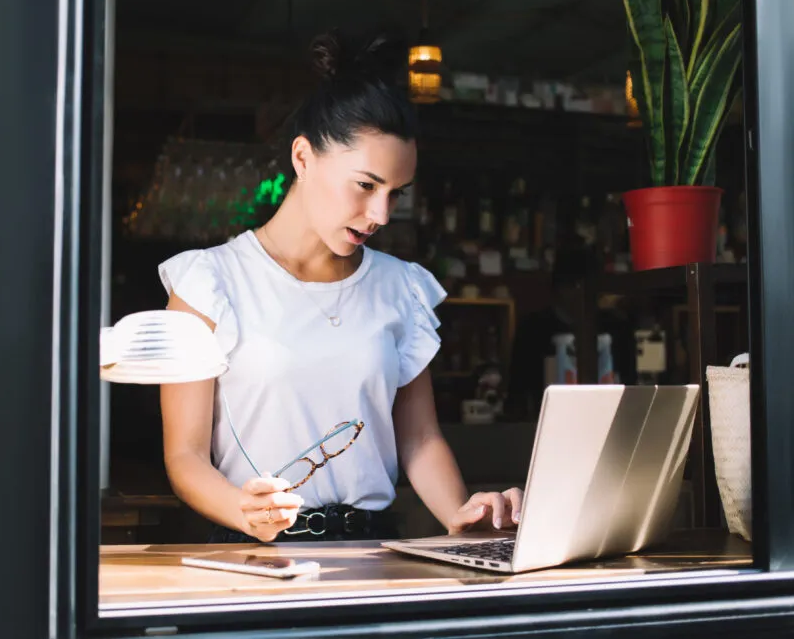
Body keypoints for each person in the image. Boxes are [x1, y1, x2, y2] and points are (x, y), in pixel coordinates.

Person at [158, 31, 522, 543]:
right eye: (367, 185)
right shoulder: (209, 282)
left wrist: (460, 514)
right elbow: (185, 456)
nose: (380, 215)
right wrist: (243, 510)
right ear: (303, 157)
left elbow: (418, 439)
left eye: (396, 194)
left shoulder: (401, 287)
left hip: (374, 551)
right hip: (253, 556)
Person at [506, 240, 638, 422]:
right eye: (574, 286)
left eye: (590, 287)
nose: (581, 294)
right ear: (559, 287)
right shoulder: (533, 329)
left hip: (611, 424)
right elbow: (517, 392)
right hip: (546, 425)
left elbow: (631, 386)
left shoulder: (618, 328)